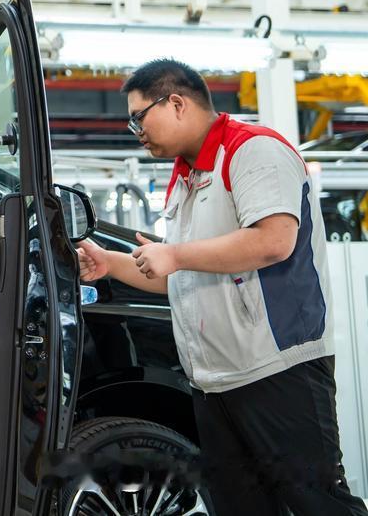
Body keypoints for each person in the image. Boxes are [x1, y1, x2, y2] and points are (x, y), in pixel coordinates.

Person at [77, 58, 366, 516]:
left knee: (316, 502)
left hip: (277, 367)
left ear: (176, 103)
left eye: (138, 117)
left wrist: (174, 254)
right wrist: (111, 263)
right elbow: (182, 274)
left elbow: (273, 241)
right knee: (240, 508)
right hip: (214, 381)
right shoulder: (185, 178)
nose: (136, 131)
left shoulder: (252, 151)